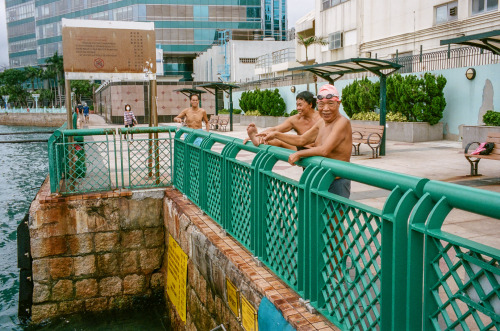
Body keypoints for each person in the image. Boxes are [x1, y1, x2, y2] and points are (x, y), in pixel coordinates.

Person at [257, 84, 352, 198]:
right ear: (317, 105)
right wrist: (276, 135)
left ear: (338, 103)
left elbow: (325, 150)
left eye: (331, 104)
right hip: (320, 177)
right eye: (321, 104)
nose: (326, 109)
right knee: (317, 214)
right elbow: (302, 139)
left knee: (334, 215)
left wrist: (299, 154)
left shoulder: (342, 122)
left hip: (337, 180)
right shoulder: (321, 122)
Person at [244, 91, 321, 150]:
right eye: (297, 105)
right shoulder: (295, 119)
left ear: (310, 104)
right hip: (300, 149)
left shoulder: (321, 118)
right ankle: (258, 140)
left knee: (278, 136)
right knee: (278, 140)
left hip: (317, 151)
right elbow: (276, 129)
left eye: (300, 105)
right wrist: (258, 135)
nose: (298, 108)